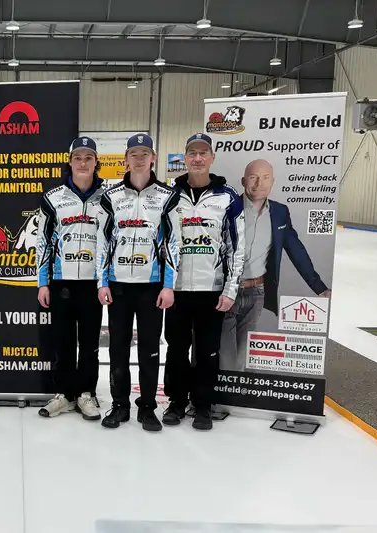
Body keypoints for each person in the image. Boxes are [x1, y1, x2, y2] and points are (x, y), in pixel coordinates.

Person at [96, 134, 180, 431]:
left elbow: (173, 243)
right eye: (134, 153)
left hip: (151, 286)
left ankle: (147, 407)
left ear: (153, 158)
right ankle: (119, 405)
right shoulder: (110, 196)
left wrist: (168, 285)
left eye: (145, 153)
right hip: (118, 284)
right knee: (117, 347)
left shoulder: (168, 196)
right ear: (126, 159)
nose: (140, 159)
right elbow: (102, 242)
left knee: (149, 348)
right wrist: (102, 282)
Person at [163, 133, 245, 431]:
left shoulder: (228, 197)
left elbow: (237, 247)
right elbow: (162, 242)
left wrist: (230, 289)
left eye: (203, 153)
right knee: (176, 350)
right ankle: (176, 401)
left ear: (212, 158)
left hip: (212, 290)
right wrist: (165, 284)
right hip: (177, 290)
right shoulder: (170, 195)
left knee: (208, 352)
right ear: (184, 158)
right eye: (192, 153)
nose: (197, 158)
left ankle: (203, 405)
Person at [220, 159, 331, 371]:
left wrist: (319, 286)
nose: (259, 183)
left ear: (273, 182)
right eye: (253, 177)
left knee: (242, 355)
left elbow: (296, 249)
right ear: (243, 181)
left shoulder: (280, 212)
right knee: (224, 356)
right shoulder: (226, 208)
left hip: (256, 292)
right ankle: (220, 391)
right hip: (226, 292)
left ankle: (236, 389)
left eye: (265, 178)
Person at [36, 136, 106, 421]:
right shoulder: (53, 197)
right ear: (70, 162)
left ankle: (87, 393)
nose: (83, 162)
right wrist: (42, 282)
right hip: (61, 281)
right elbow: (43, 242)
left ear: (96, 162)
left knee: (89, 343)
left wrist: (105, 281)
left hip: (93, 283)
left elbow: (113, 241)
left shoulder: (109, 197)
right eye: (78, 157)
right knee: (63, 342)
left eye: (88, 157)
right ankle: (65, 394)